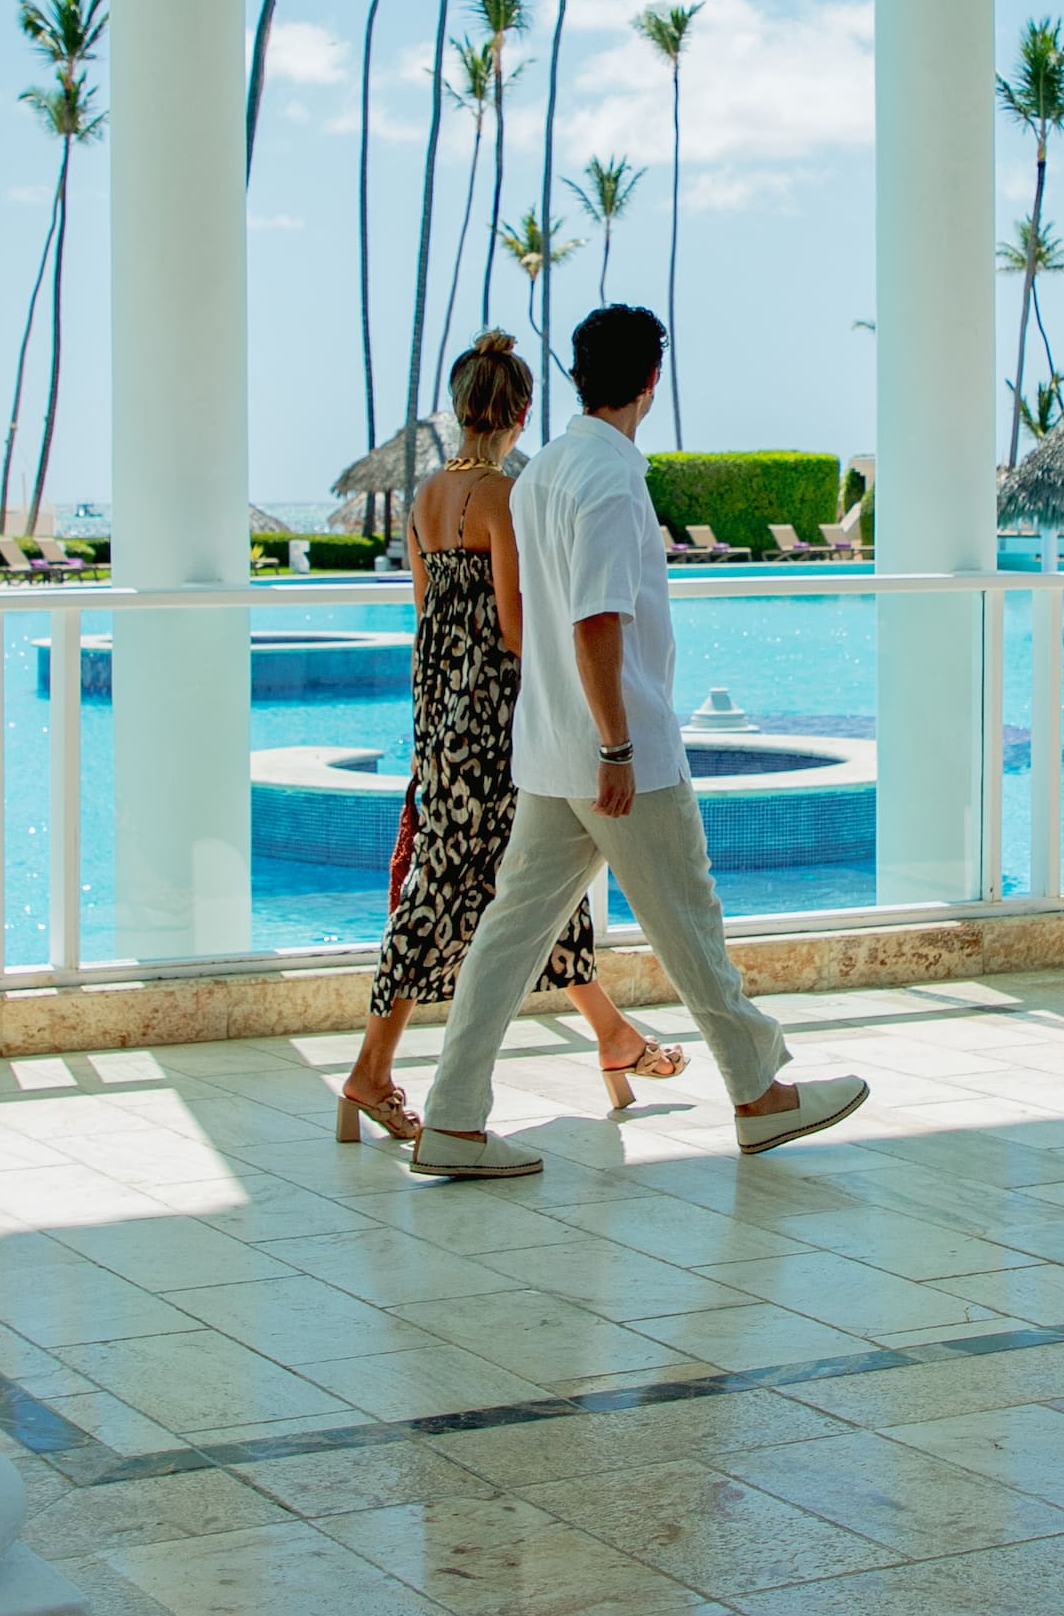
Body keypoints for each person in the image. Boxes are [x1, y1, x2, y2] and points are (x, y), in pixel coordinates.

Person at [410, 303, 867, 1180]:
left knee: (508, 936)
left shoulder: (542, 472)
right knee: (689, 921)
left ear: (580, 375)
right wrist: (618, 747)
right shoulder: (611, 480)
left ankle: (452, 1118)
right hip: (617, 756)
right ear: (652, 381)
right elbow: (595, 620)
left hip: (549, 748)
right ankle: (759, 1095)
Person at [336, 333, 683, 1145]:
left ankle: (612, 1035)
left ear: (460, 408)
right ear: (522, 412)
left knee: (526, 881)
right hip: (499, 721)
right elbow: (517, 628)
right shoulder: (503, 497)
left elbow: (427, 615)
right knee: (461, 887)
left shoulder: (425, 498)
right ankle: (370, 1071)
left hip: (440, 717)